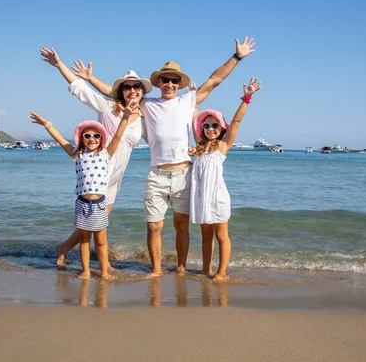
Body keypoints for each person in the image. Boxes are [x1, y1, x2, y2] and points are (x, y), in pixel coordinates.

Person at [76, 36, 257, 276]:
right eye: (166, 80)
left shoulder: (187, 100)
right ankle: (156, 270)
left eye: (174, 80)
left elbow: (215, 80)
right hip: (156, 174)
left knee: (181, 226)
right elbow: (115, 93)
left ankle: (181, 268)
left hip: (183, 173)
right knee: (154, 226)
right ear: (159, 82)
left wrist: (237, 57)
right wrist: (89, 79)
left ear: (179, 84)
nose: (169, 84)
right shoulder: (146, 104)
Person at [40, 47, 151, 266]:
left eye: (136, 86)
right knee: (96, 224)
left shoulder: (145, 118)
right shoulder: (108, 106)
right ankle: (103, 266)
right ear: (121, 91)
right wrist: (59, 64)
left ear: (141, 91)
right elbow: (80, 89)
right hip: (97, 174)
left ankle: (64, 248)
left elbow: (161, 138)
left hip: (116, 177)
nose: (132, 90)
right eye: (127, 87)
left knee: (97, 223)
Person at [30, 102, 138, 279]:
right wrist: (47, 125)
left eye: (96, 135)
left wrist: (125, 117)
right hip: (82, 204)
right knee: (85, 240)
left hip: (100, 204)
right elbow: (61, 140)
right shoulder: (77, 155)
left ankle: (104, 271)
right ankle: (86, 270)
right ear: (82, 139)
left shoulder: (105, 155)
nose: (92, 139)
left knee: (101, 242)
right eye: (87, 136)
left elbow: (118, 136)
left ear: (101, 138)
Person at [190, 77, 261, 281]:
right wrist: (192, 100)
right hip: (201, 198)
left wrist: (247, 97)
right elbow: (195, 115)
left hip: (218, 198)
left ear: (222, 129)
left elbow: (237, 121)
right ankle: (205, 269)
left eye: (215, 125)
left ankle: (221, 273)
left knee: (221, 236)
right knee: (205, 236)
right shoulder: (199, 147)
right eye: (207, 125)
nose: (211, 128)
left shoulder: (223, 146)